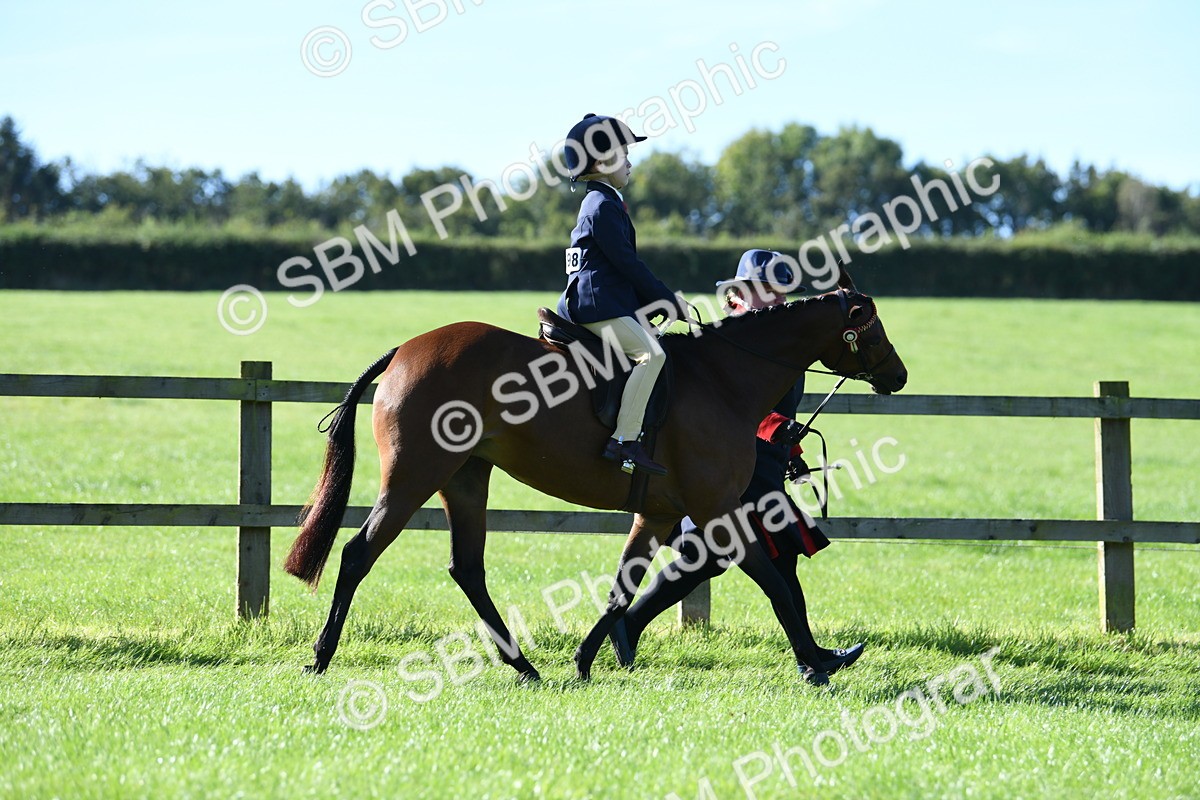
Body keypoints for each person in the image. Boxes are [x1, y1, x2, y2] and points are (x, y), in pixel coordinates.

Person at [608, 249, 864, 673]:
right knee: (712, 558)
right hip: (723, 475)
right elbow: (727, 409)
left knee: (765, 561)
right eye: (768, 292)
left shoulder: (779, 345)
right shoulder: (724, 343)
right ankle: (629, 624)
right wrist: (774, 429)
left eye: (782, 294)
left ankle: (810, 659)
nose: (778, 300)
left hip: (762, 474)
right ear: (737, 297)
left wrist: (792, 454)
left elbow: (789, 404)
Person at [556, 113, 689, 477]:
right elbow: (628, 265)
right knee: (652, 354)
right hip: (596, 306)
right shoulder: (602, 206)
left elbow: (617, 271)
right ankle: (624, 441)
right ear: (600, 162)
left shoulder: (602, 203)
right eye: (623, 153)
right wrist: (669, 300)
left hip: (603, 299)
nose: (629, 161)